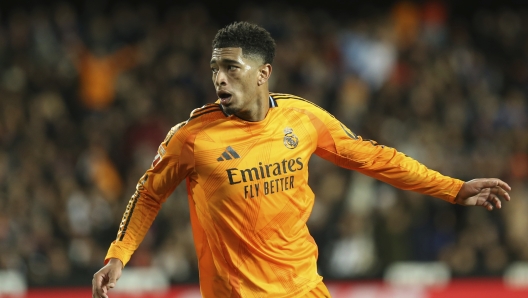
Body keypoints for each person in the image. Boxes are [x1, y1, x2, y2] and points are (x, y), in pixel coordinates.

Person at [92, 21, 511, 298]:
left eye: (232, 68)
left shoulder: (302, 118)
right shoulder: (191, 138)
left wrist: (453, 187)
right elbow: (148, 194)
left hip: (305, 289)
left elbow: (374, 158)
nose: (219, 77)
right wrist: (118, 255)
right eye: (215, 68)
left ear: (263, 73)